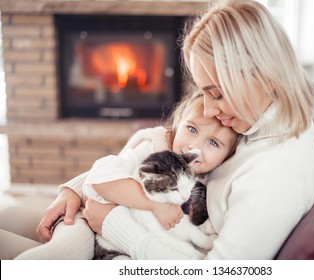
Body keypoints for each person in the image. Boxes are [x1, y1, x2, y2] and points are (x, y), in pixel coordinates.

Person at [1, 0, 314, 260]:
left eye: (218, 93)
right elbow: (159, 152)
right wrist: (76, 188)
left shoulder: (277, 170)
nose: (209, 109)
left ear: (263, 77)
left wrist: (111, 223)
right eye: (204, 92)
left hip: (121, 243)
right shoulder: (253, 124)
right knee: (10, 215)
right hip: (112, 220)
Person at [0, 94, 240, 259]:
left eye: (213, 142)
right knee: (11, 215)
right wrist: (154, 206)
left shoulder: (213, 184)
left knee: (55, 255)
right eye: (191, 129)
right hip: (89, 221)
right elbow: (103, 172)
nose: (193, 146)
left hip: (114, 245)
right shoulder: (155, 148)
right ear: (178, 124)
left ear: (228, 154)